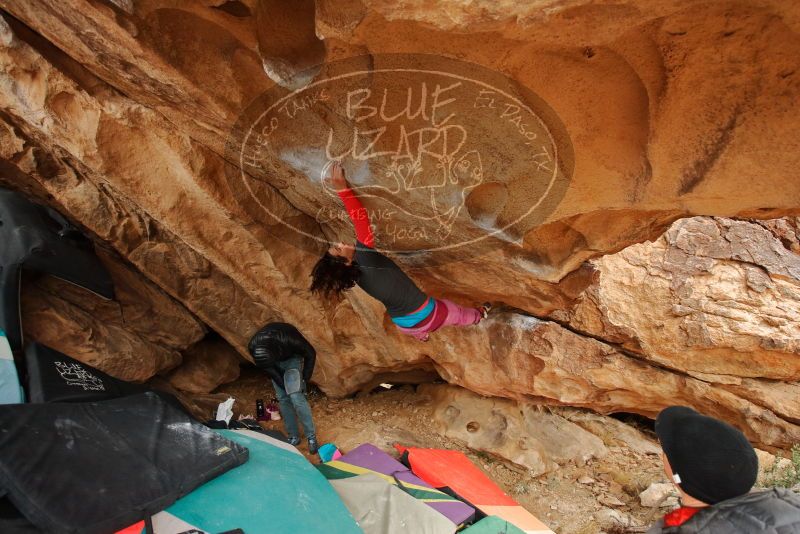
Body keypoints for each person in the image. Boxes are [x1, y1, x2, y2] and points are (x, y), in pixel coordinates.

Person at [310, 162, 490, 341]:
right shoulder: (364, 257)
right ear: (347, 262)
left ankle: (421, 336)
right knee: (456, 313)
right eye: (338, 248)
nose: (340, 243)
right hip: (429, 315)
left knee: (422, 327)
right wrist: (342, 189)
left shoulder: (355, 276)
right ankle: (478, 316)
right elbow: (361, 220)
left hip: (404, 324)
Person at [646, 406, 800, 533]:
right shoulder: (789, 502)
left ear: (677, 475)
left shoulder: (672, 529)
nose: (662, 456)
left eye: (665, 450)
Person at [248, 322, 319, 454]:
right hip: (273, 363)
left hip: (290, 359)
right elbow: (271, 371)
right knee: (283, 398)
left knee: (296, 396)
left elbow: (311, 353)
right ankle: (293, 436)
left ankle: (311, 437)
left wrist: (304, 379)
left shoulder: (290, 340)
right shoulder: (254, 347)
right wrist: (282, 384)